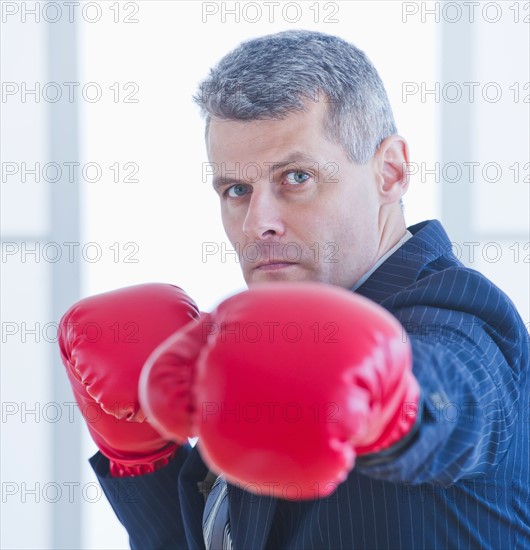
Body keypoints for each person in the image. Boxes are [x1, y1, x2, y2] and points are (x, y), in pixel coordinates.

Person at [59, 30, 529, 549]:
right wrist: (141, 457)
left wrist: (391, 402)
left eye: (296, 177)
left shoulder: (464, 320)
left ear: (390, 172)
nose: (259, 223)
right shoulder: (259, 345)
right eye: (236, 190)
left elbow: (453, 399)